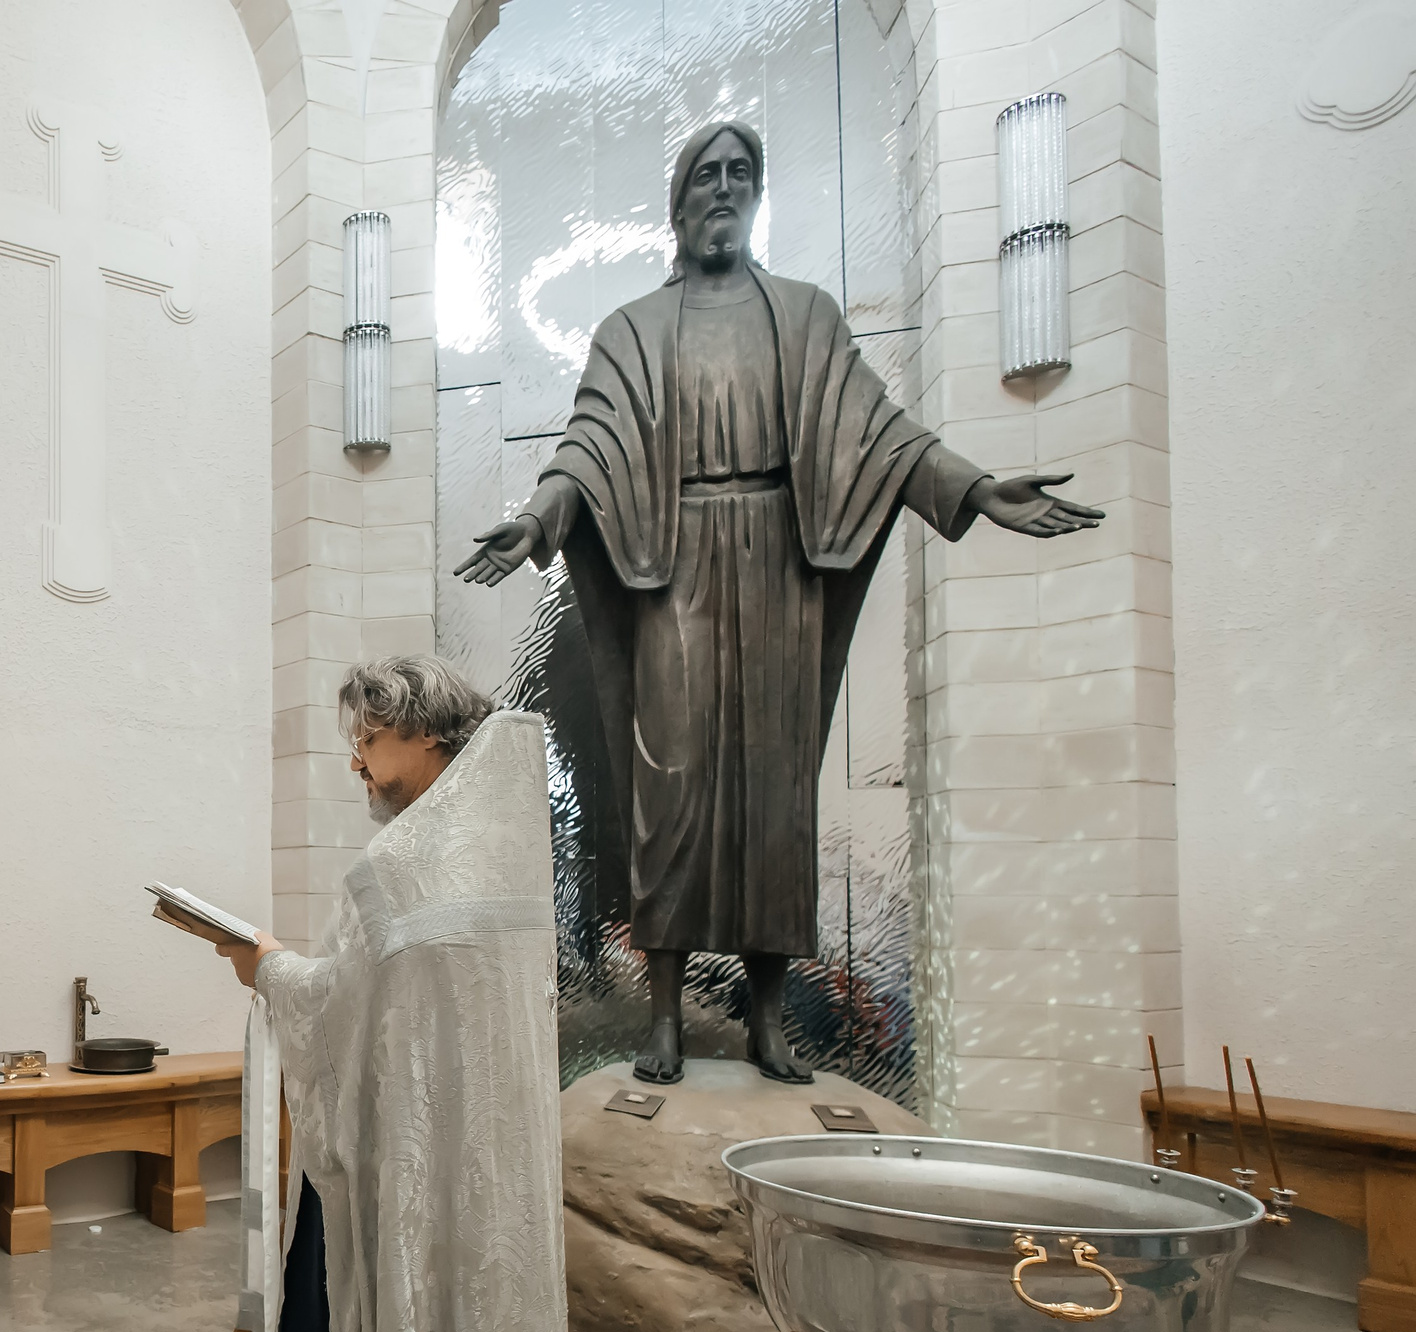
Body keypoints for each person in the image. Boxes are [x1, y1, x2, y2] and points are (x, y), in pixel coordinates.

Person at [456, 120, 1103, 1086]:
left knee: (771, 794)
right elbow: (586, 448)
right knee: (669, 789)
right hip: (673, 569)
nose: (723, 189)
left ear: (756, 196)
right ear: (678, 206)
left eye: (740, 175)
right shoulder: (632, 330)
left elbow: (879, 432)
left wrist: (970, 488)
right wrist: (540, 524)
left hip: (778, 569)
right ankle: (666, 1016)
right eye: (706, 177)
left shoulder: (805, 316)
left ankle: (766, 1018)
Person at [213, 658, 575, 1332]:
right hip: (489, 1194)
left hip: (395, 1190)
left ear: (416, 732)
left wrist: (267, 966)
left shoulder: (402, 860)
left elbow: (344, 1017)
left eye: (366, 737)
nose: (356, 760)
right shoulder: (501, 844)